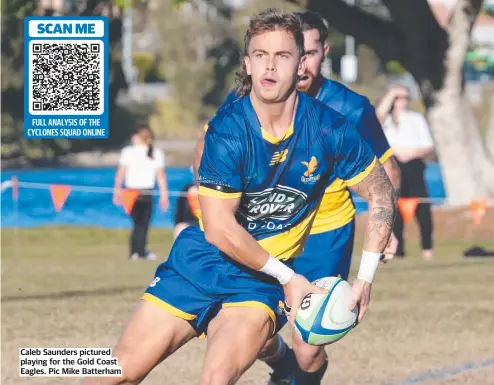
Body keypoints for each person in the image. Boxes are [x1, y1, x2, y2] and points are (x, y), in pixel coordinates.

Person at [86, 9, 396, 385]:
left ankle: (284, 361)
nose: (270, 66)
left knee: (215, 380)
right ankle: (280, 359)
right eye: (260, 56)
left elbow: (381, 192)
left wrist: (365, 278)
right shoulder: (228, 131)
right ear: (247, 65)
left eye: (282, 56)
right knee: (114, 374)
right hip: (200, 262)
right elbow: (218, 229)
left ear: (301, 64)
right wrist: (289, 278)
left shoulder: (332, 128)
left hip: (258, 284)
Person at [195, 11, 401, 385]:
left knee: (309, 343)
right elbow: (206, 146)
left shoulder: (350, 109)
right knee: (250, 333)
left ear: (323, 52)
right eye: (291, 54)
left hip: (325, 233)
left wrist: (388, 228)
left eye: (307, 53)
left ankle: (301, 373)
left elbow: (387, 176)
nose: (299, 64)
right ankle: (280, 362)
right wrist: (215, 204)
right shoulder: (247, 96)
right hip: (262, 232)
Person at [376, 85, 434, 260]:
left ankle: (427, 249)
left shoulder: (416, 119)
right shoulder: (385, 121)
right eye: (398, 98)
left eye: (405, 97)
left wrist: (411, 153)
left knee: (422, 208)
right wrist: (392, 93)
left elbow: (428, 145)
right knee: (393, 209)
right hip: (392, 165)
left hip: (413, 166)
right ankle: (397, 249)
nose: (402, 101)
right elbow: (376, 118)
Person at [113, 124, 169, 260]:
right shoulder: (156, 153)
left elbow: (120, 173)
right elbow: (161, 176)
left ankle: (136, 251)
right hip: (144, 192)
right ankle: (138, 251)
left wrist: (117, 190)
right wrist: (164, 195)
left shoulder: (129, 152)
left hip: (132, 192)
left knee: (137, 223)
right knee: (143, 224)